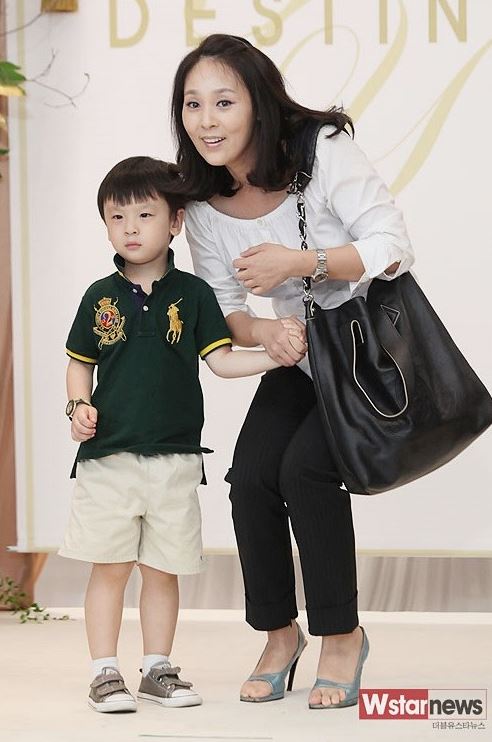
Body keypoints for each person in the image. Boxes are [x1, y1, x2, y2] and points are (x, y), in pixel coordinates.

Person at [171, 34, 414, 709]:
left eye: (224, 102)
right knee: (250, 477)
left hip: (368, 352)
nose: (206, 120)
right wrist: (266, 333)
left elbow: (394, 246)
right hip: (301, 350)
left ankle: (342, 635)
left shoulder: (320, 150)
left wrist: (301, 263)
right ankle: (280, 634)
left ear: (259, 102)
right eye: (193, 104)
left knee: (305, 470)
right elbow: (225, 309)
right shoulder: (202, 200)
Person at [59, 156, 305, 714]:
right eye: (117, 217)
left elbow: (222, 361)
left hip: (175, 459)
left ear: (175, 222)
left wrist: (274, 356)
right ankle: (104, 673)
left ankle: (157, 668)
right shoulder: (98, 296)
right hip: (108, 458)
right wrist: (78, 405)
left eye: (145, 215)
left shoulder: (193, 294)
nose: (130, 228)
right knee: (110, 566)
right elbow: (79, 363)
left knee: (162, 569)